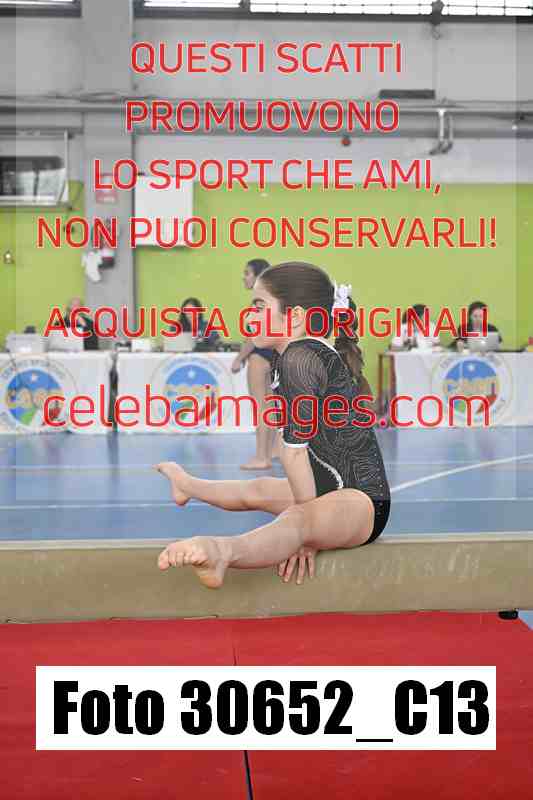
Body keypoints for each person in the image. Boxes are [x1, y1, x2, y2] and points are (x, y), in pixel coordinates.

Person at [155, 262, 391, 590]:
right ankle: (187, 485)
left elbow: (293, 454)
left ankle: (223, 551)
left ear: (294, 317)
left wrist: (310, 531)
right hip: (330, 486)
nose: (249, 317)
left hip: (362, 501)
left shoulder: (300, 359)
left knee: (296, 519)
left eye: (259, 306)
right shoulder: (292, 356)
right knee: (259, 489)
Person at [231, 258, 278, 470]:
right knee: (270, 406)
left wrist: (239, 358)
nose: (244, 277)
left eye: (247, 273)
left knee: (261, 407)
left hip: (260, 357)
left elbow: (253, 335)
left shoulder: (260, 300)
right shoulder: (273, 298)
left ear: (259, 276)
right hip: (274, 355)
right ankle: (272, 451)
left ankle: (261, 457)